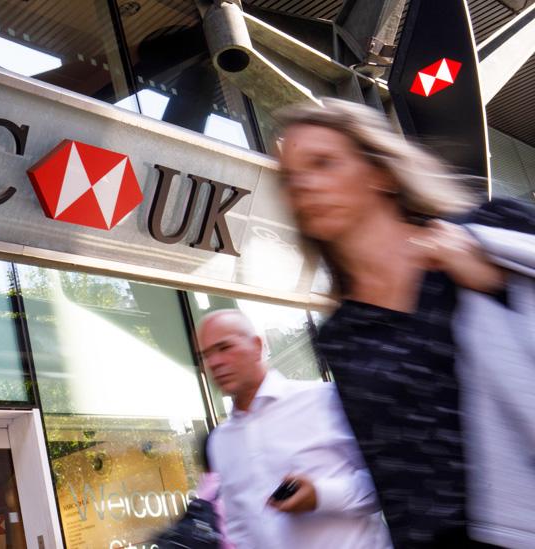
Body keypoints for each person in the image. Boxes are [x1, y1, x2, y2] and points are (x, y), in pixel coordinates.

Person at [275, 98, 535, 547]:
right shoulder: (343, 334)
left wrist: (494, 283)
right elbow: (394, 482)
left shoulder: (491, 232)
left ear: (380, 173)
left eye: (323, 163)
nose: (304, 186)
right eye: (291, 179)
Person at [199, 309, 391, 549]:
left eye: (224, 347)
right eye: (205, 355)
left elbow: (387, 484)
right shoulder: (220, 441)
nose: (214, 362)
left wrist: (320, 495)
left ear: (257, 346)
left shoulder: (325, 400)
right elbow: (239, 529)